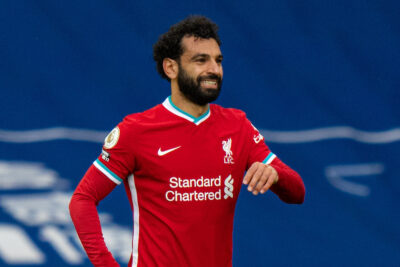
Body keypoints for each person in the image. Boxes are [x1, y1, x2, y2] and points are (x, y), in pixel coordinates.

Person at [69, 15, 305, 267]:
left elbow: (297, 192)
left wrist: (275, 175)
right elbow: (82, 200)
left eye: (218, 60)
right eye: (200, 60)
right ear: (171, 68)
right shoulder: (135, 131)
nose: (213, 69)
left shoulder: (238, 126)